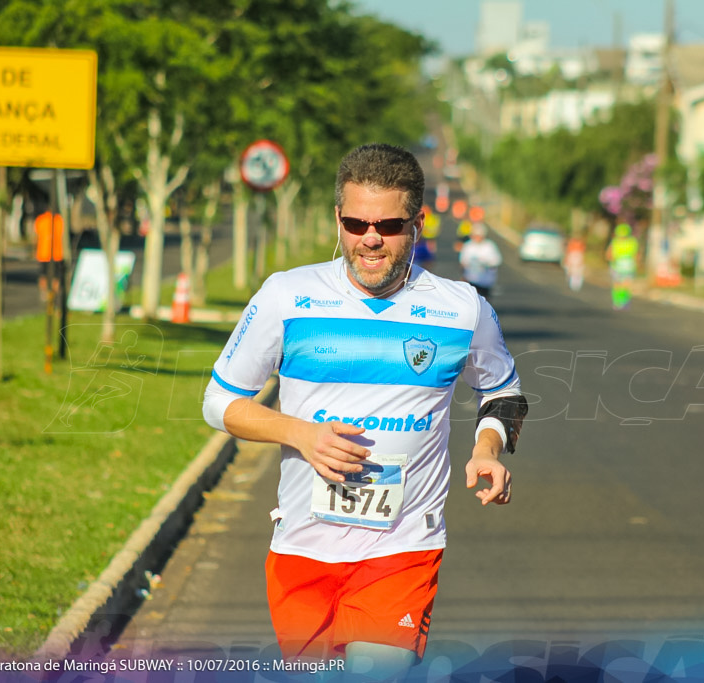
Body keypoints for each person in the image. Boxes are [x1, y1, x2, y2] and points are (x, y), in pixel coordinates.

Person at [202, 143, 527, 678]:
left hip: (403, 548)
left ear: (418, 222)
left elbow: (504, 392)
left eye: (388, 225)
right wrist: (301, 434)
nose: (370, 238)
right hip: (302, 548)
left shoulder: (463, 308)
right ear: (338, 219)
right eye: (355, 223)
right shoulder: (288, 296)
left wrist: (488, 447)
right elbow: (219, 402)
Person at [458, 222, 502, 299]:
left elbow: (496, 260)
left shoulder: (489, 246)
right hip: (471, 279)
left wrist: (486, 263)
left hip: (486, 280)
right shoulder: (468, 246)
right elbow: (463, 261)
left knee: (485, 299)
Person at [605, 222, 638, 310]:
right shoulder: (633, 241)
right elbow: (636, 255)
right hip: (629, 267)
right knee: (626, 285)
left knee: (617, 285)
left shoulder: (615, 242)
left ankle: (618, 302)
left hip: (617, 267)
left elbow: (608, 255)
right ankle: (624, 302)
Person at [34, 209, 65, 303]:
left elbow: (36, 236)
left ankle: (45, 294)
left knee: (44, 275)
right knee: (56, 277)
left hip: (44, 253)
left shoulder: (40, 219)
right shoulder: (60, 220)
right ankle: (53, 296)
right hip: (57, 254)